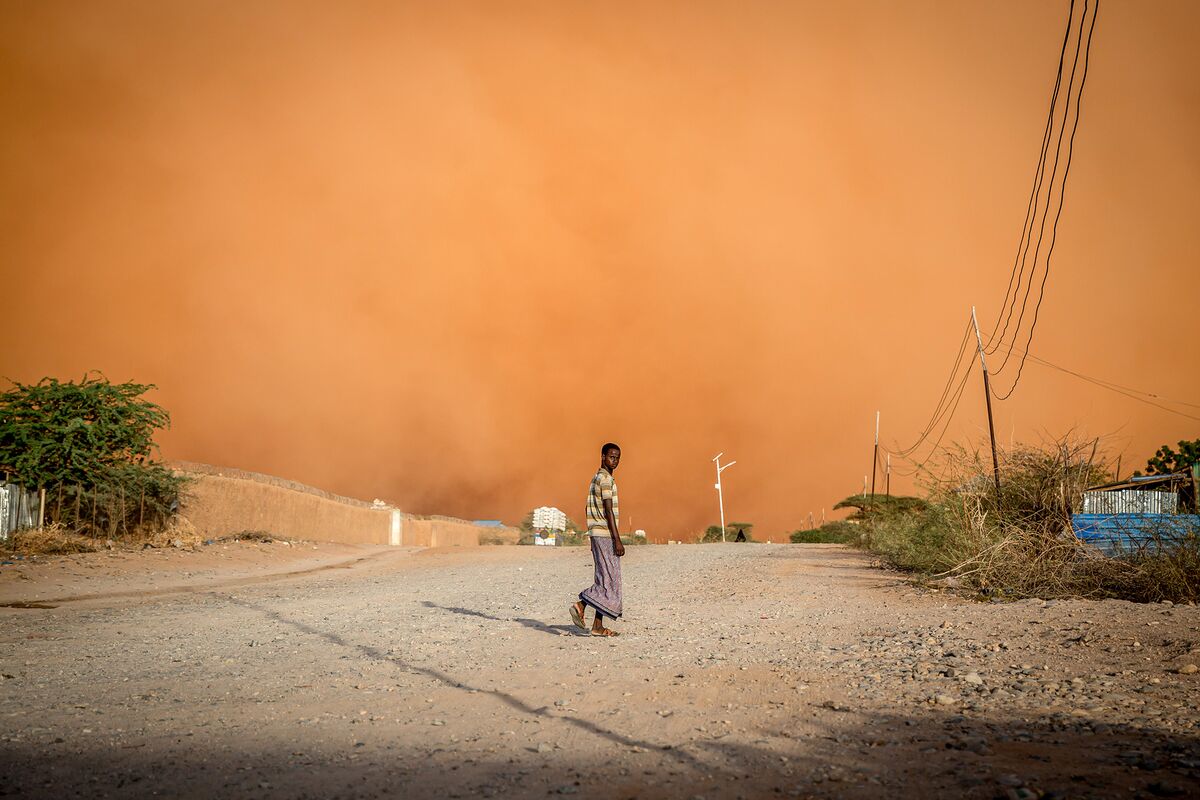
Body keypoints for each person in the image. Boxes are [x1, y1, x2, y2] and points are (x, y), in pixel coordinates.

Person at [570, 442, 624, 637]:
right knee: (611, 580)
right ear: (602, 457)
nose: (615, 460)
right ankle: (581, 604)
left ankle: (597, 626)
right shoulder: (605, 479)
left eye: (617, 457)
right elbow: (608, 509)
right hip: (605, 535)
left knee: (604, 578)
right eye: (611, 457)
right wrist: (617, 539)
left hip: (596, 534)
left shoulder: (595, 478)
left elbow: (588, 508)